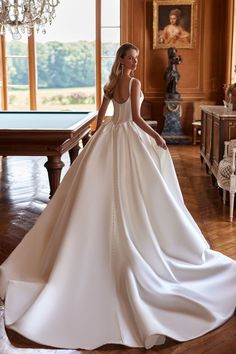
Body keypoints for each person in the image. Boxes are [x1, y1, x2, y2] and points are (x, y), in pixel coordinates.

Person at [0, 42, 236, 350]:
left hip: (109, 138)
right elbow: (136, 119)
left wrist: (92, 145)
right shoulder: (134, 83)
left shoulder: (111, 84)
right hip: (128, 138)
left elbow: (101, 120)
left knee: (101, 193)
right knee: (137, 191)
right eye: (131, 57)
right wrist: (156, 136)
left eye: (137, 58)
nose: (135, 62)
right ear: (122, 59)